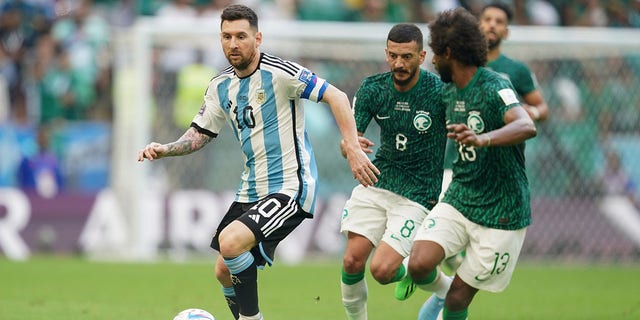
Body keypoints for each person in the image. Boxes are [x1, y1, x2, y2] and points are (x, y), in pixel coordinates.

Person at [137, 4, 379, 320]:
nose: (233, 44)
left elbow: (337, 96)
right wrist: (166, 148)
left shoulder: (281, 73)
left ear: (258, 38)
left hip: (290, 185)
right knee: (224, 270)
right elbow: (200, 134)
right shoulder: (220, 86)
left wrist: (352, 144)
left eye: (241, 36)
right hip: (251, 187)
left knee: (231, 241)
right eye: (226, 36)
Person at [408, 7, 537, 320]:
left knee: (457, 301)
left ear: (448, 52)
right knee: (418, 265)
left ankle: (450, 297)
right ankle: (445, 287)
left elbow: (526, 125)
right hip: (462, 195)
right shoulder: (447, 90)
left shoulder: (495, 86)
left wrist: (483, 139)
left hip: (502, 209)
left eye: (435, 53)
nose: (432, 60)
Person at [339, 23, 451, 320]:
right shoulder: (372, 88)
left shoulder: (440, 93)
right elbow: (350, 141)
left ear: (422, 55)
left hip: (417, 193)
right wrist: (352, 148)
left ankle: (446, 289)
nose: (399, 64)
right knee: (351, 262)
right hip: (377, 182)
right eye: (393, 56)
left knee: (382, 270)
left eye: (407, 57)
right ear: (386, 54)